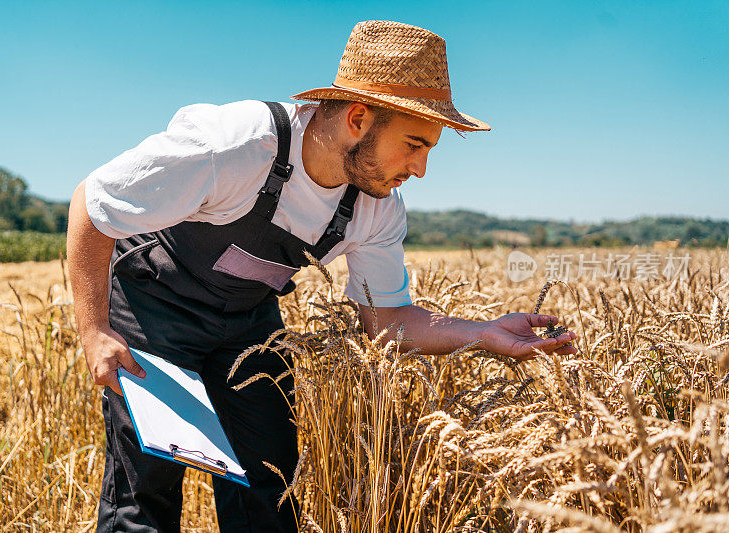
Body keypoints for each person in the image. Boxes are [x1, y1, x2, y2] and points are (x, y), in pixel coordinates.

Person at [66, 19, 577, 533]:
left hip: (248, 320)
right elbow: (91, 204)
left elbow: (387, 318)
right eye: (414, 144)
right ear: (358, 118)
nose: (420, 169)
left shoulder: (377, 207)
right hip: (156, 302)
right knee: (145, 490)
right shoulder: (233, 146)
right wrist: (93, 332)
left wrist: (480, 333)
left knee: (271, 482)